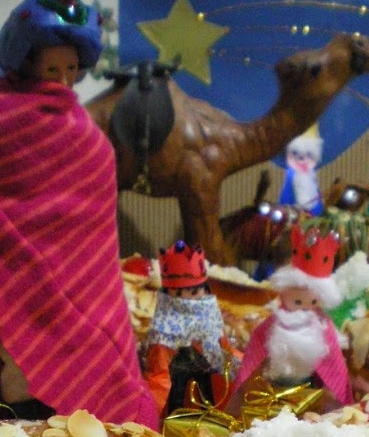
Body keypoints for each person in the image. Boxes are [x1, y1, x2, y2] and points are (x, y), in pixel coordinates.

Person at [0, 0, 159, 428]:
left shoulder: (82, 130)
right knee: (17, 354)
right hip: (10, 274)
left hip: (83, 282)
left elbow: (90, 216)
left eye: (71, 68)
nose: (62, 78)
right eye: (51, 67)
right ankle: (21, 420)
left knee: (82, 350)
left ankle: (75, 421)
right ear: (25, 60)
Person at [228, 223, 353, 413]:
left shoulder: (321, 326)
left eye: (311, 302)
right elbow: (253, 356)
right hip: (272, 388)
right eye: (297, 302)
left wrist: (336, 394)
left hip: (309, 390)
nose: (303, 309)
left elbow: (334, 365)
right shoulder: (274, 324)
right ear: (284, 294)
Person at [143, 241, 238, 419]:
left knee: (207, 402)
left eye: (194, 292)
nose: (186, 298)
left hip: (205, 373)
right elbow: (158, 364)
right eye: (178, 293)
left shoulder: (209, 311)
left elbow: (222, 347)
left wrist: (227, 360)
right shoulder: (164, 320)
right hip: (177, 375)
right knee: (177, 405)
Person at [278, 123, 324, 216]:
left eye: (309, 155)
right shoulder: (290, 176)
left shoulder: (311, 177)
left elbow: (317, 202)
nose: (302, 160)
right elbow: (285, 197)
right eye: (295, 153)